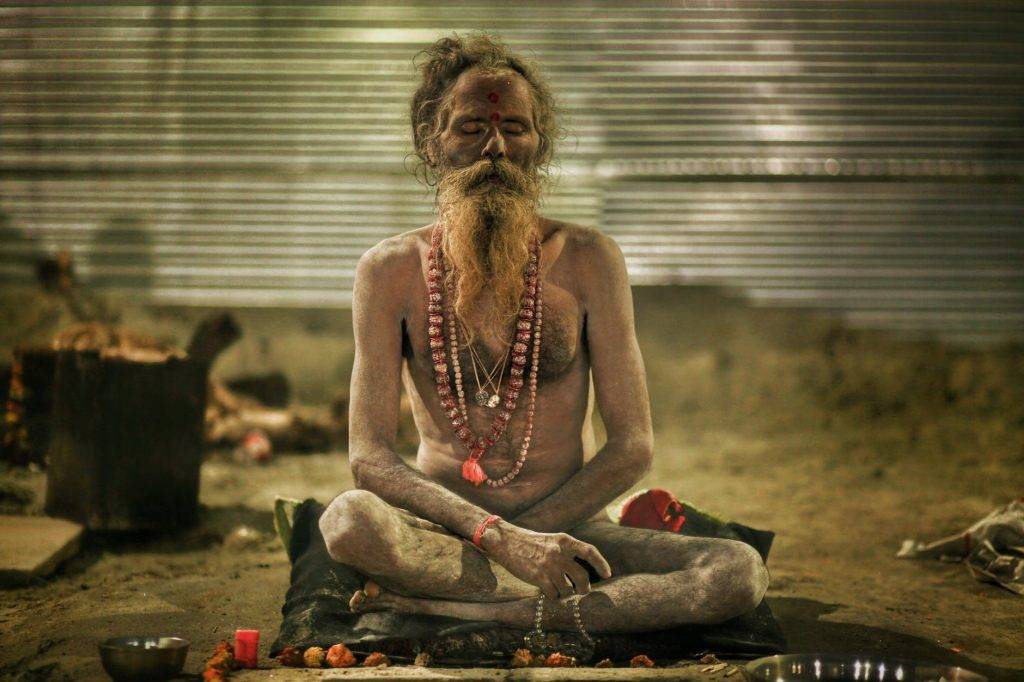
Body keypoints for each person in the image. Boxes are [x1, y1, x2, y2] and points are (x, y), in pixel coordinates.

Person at [318, 33, 769, 635]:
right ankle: (548, 611)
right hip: (449, 533)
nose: (496, 149)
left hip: (571, 531)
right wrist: (498, 539)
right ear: (433, 144)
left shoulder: (590, 259)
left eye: (515, 130)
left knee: (736, 572)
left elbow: (631, 445)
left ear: (539, 145)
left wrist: (534, 539)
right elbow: (369, 459)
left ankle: (467, 612)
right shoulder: (388, 271)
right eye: (472, 127)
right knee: (349, 522)